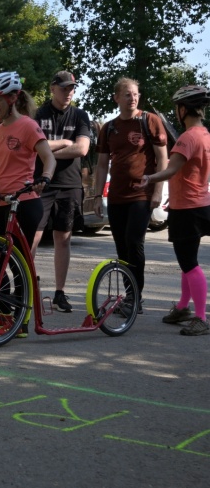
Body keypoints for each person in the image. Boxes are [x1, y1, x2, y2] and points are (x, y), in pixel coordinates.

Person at [0, 71, 56, 338]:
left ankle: (20, 321)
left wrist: (45, 177)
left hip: (25, 204)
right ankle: (4, 312)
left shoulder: (28, 126)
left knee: (18, 264)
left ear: (13, 98)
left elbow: (49, 158)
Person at [133, 85, 210, 336]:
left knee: (189, 264)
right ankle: (182, 307)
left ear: (183, 109)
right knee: (188, 261)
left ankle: (200, 317)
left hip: (186, 207)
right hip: (200, 204)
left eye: (177, 108)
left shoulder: (188, 138)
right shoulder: (205, 135)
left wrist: (149, 178)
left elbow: (171, 169)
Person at [93, 77, 168, 312]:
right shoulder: (109, 128)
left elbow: (162, 158)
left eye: (135, 94)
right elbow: (102, 164)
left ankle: (136, 297)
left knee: (134, 243)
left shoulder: (150, 121)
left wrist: (157, 190)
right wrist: (97, 196)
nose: (133, 98)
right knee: (122, 248)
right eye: (127, 94)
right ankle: (128, 296)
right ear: (116, 98)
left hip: (141, 195)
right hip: (116, 197)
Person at [31, 71, 91, 313]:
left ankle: (59, 293)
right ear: (52, 88)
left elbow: (82, 149)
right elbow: (32, 147)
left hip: (69, 185)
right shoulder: (38, 115)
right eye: (64, 88)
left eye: (72, 88)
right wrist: (64, 143)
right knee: (32, 239)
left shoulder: (80, 115)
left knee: (62, 239)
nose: (69, 92)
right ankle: (28, 288)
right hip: (41, 184)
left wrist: (47, 153)